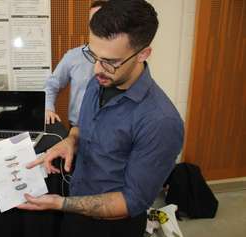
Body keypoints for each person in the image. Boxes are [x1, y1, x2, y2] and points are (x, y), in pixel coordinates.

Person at [18, 1, 184, 236]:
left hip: (113, 227)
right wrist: (71, 141)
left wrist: (59, 204)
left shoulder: (161, 121)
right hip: (76, 210)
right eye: (93, 55)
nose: (96, 69)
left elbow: (131, 202)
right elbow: (82, 127)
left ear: (143, 54)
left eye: (110, 61)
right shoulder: (100, 81)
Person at [45, 1, 108, 126]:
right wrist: (48, 108)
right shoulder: (73, 56)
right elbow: (51, 85)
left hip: (110, 129)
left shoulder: (122, 60)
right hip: (77, 129)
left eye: (102, 20)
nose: (97, 26)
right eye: (93, 21)